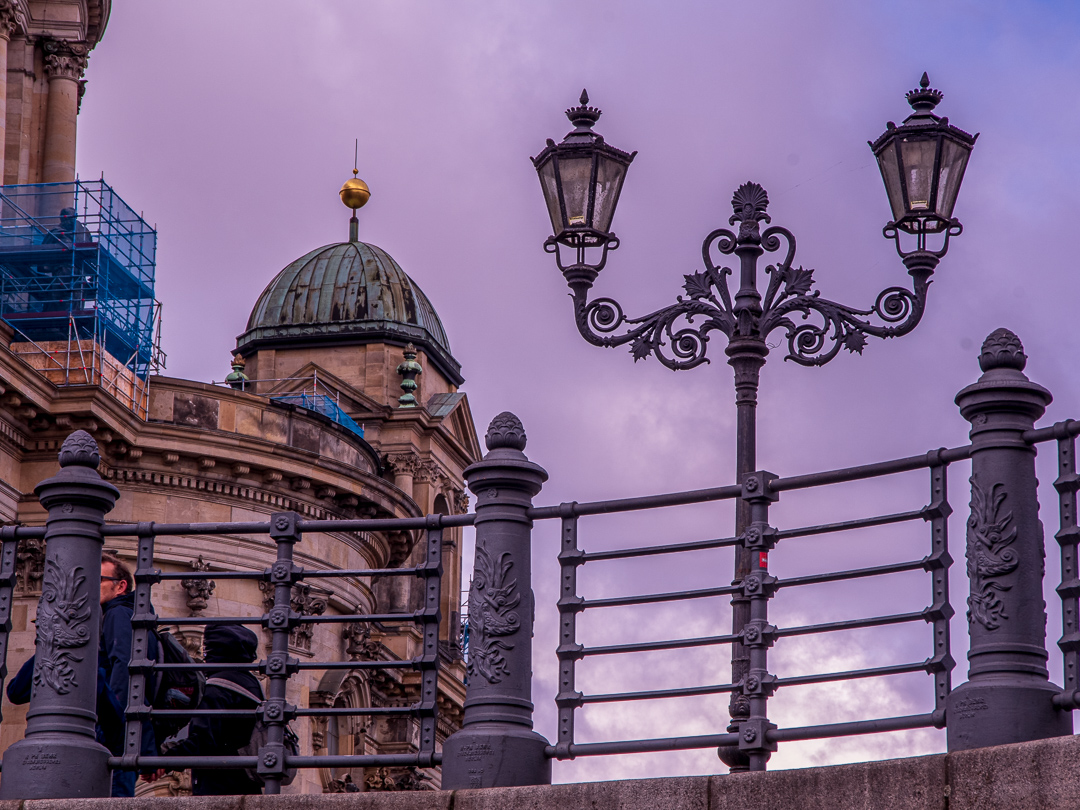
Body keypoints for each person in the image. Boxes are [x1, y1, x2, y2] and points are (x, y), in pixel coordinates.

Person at [163, 624, 264, 796]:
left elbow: (203, 739)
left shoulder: (218, 686)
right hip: (246, 781)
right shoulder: (252, 683)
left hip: (218, 784)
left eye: (207, 649)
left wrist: (164, 760)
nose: (204, 655)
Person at [99, 550, 157, 797]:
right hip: (124, 731)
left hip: (115, 732)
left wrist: (116, 729)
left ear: (120, 586)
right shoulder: (132, 616)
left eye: (97, 579)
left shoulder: (117, 614)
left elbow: (126, 671)